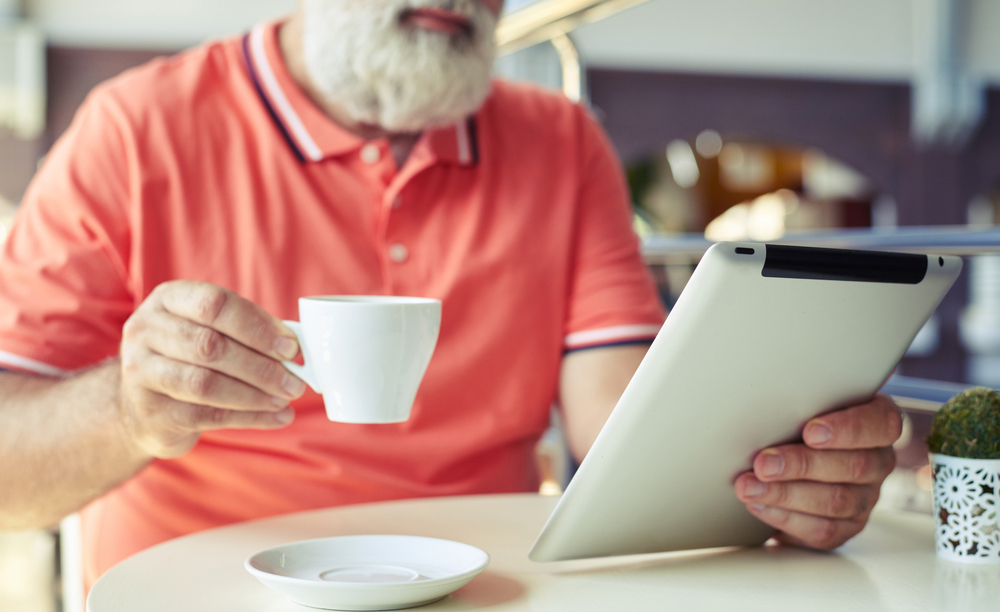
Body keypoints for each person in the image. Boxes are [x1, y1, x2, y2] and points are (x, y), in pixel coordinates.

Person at [0, 0, 901, 588]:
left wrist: (784, 471)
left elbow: (626, 426)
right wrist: (127, 410)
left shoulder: (561, 144)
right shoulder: (132, 129)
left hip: (485, 591)